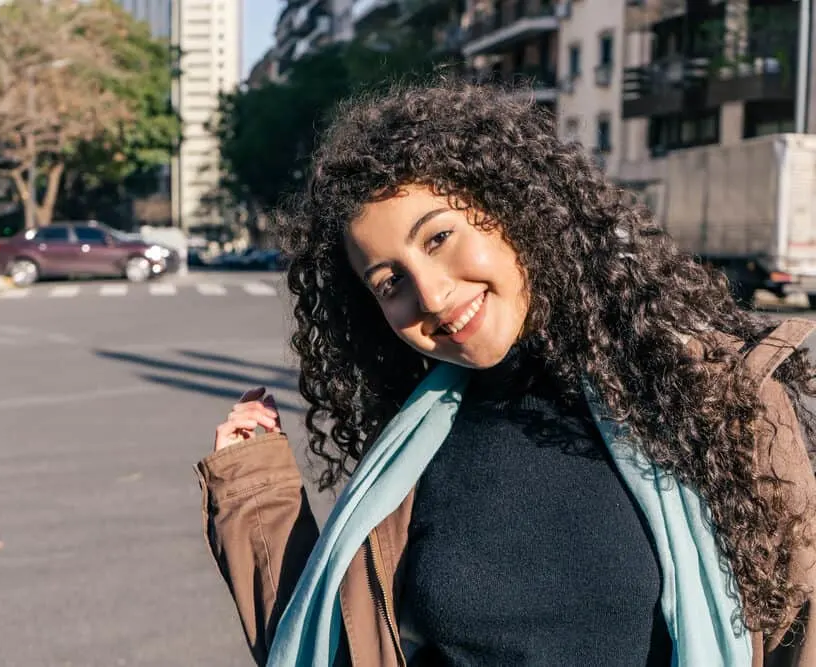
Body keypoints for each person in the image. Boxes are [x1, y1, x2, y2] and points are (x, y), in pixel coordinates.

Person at [195, 80, 816, 666]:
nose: (432, 297)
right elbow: (332, 648)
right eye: (391, 283)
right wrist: (258, 503)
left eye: (438, 238)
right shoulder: (410, 456)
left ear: (515, 211)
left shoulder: (714, 398)